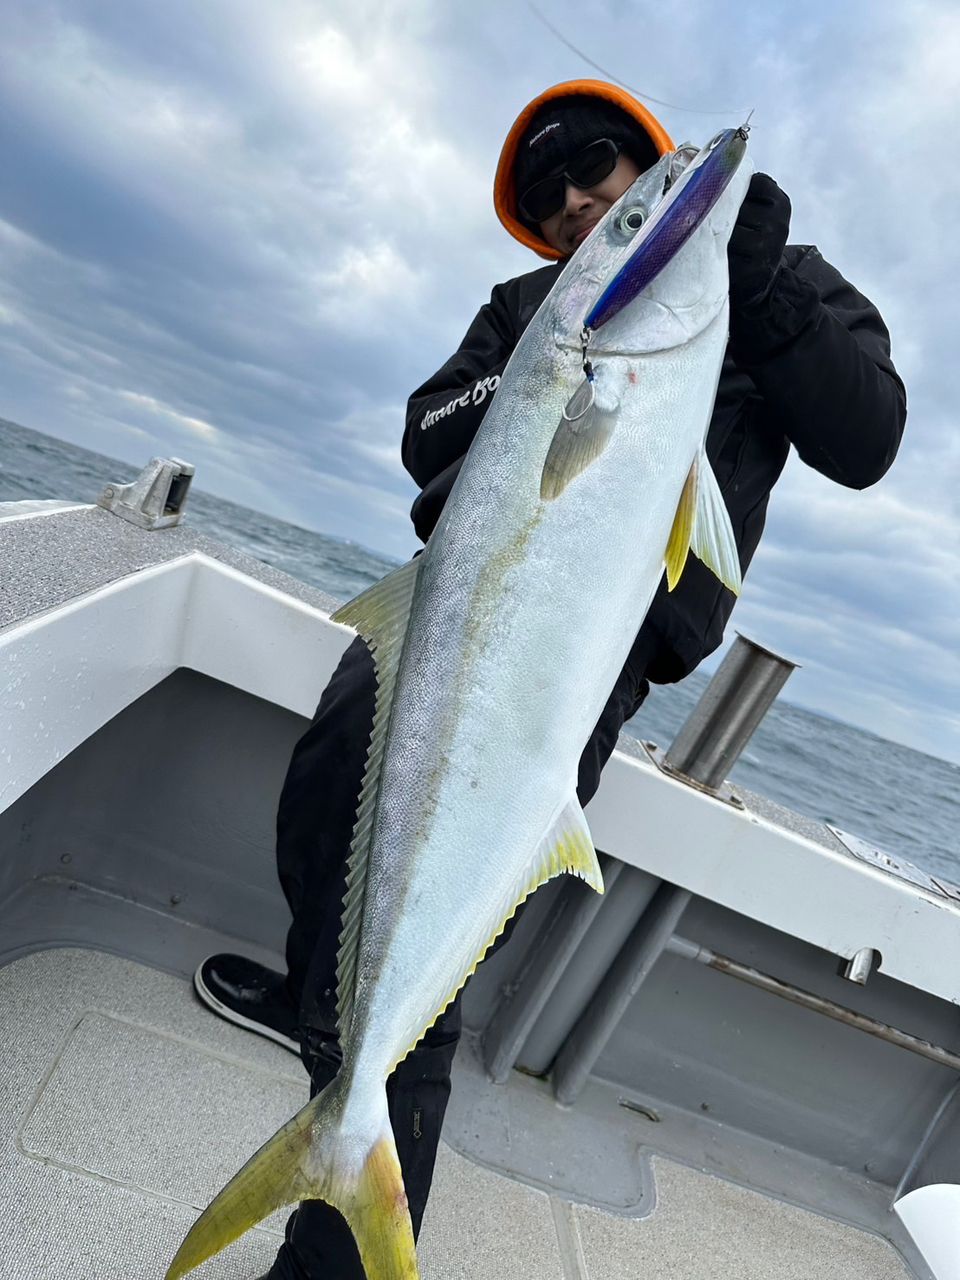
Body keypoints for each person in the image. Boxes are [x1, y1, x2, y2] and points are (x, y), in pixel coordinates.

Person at [193, 80, 907, 1278]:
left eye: (599, 172)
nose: (576, 200)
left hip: (573, 664)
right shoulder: (530, 310)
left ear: (647, 167)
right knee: (325, 797)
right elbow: (428, 430)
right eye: (547, 195)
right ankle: (328, 1006)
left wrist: (767, 277)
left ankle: (342, 1200)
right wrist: (544, 360)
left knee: (447, 910)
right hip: (445, 628)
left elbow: (868, 434)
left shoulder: (765, 285)